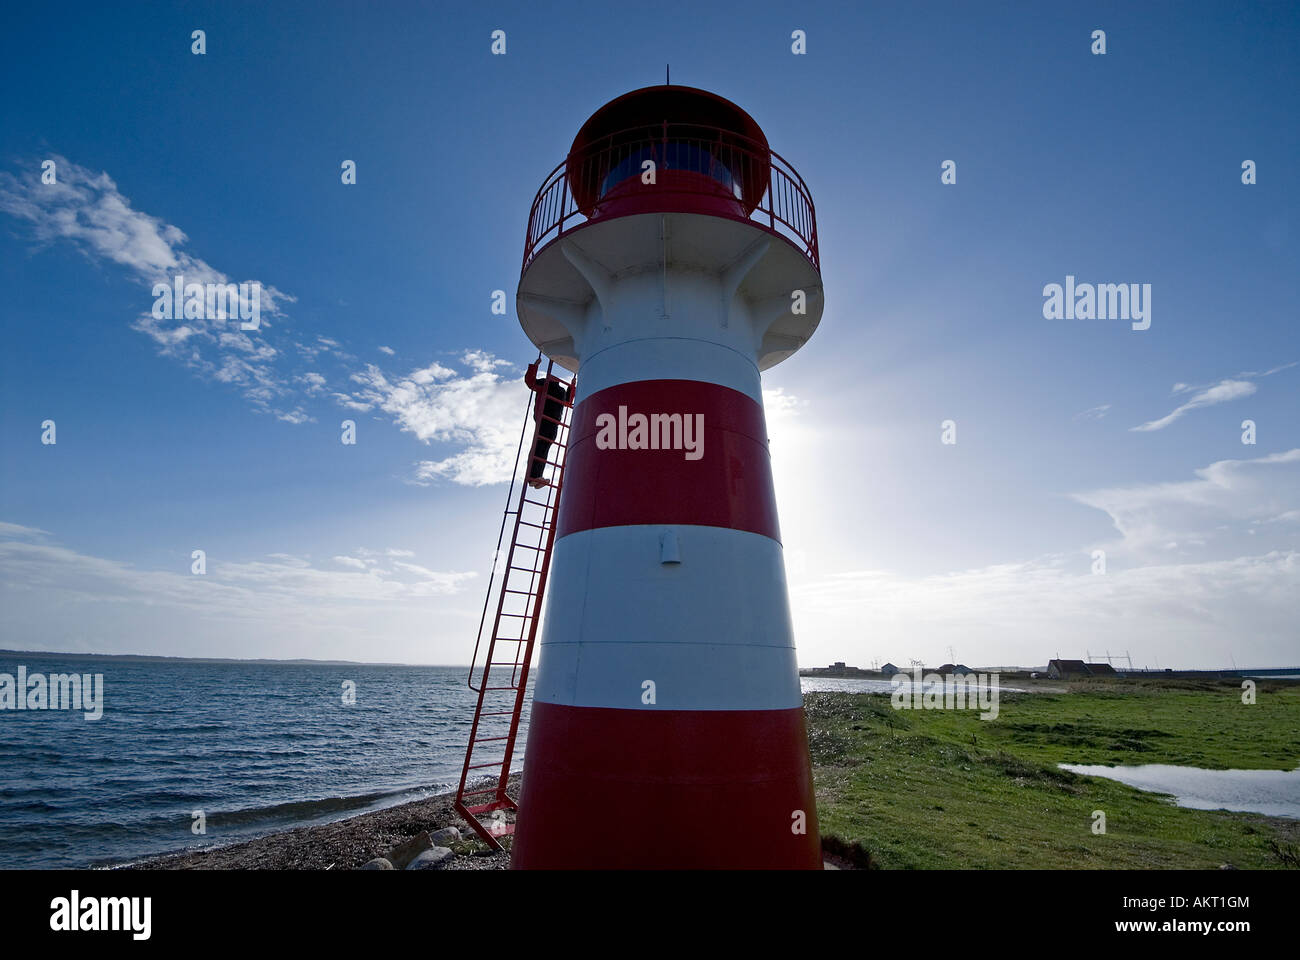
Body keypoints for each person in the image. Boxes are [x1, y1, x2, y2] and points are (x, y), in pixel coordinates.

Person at [525, 362, 570, 488]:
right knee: (541, 448)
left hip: (550, 422)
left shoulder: (547, 384)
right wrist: (572, 386)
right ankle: (533, 477)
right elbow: (568, 401)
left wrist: (534, 367)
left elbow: (530, 382)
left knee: (542, 448)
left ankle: (536, 477)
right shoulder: (551, 386)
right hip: (549, 421)